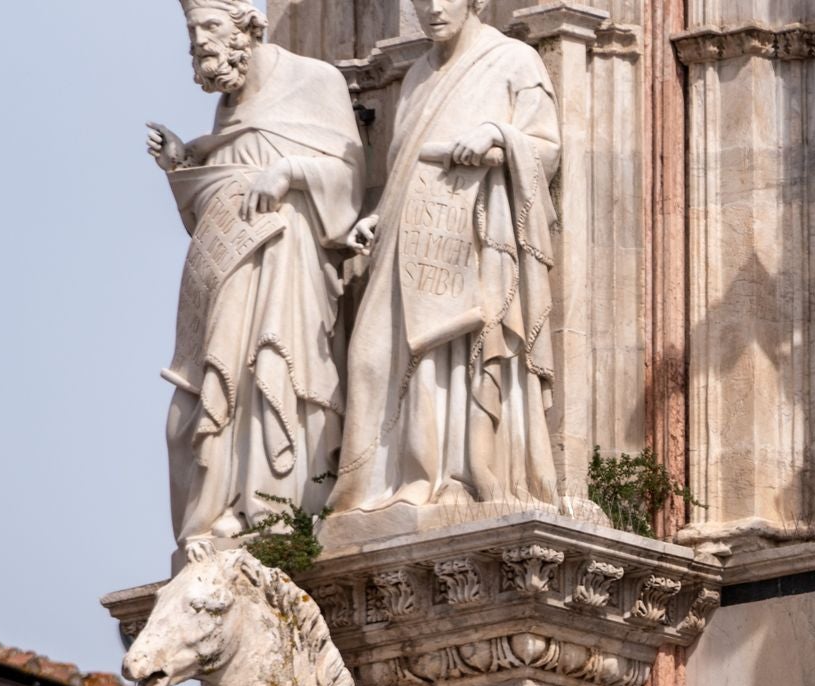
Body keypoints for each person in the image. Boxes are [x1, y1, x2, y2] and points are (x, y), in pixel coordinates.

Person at [330, 0, 563, 513]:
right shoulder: (416, 75)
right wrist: (379, 217)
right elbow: (404, 168)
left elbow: (546, 149)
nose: (433, 9)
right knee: (369, 359)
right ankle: (390, 482)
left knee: (454, 355)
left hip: (477, 239)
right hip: (411, 236)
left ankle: (452, 478)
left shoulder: (514, 60)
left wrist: (497, 135)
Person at [148, 1, 364, 543]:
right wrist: (183, 166)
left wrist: (290, 171)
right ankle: (222, 505)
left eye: (211, 25)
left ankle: (272, 510)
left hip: (289, 262)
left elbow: (350, 180)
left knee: (273, 370)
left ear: (247, 25)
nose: (200, 40)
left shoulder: (314, 80)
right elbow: (219, 205)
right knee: (211, 392)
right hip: (229, 270)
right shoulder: (228, 107)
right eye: (193, 30)